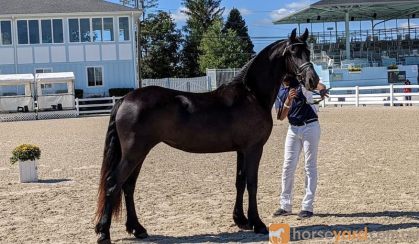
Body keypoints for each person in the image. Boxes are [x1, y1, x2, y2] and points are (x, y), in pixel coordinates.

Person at [273, 77, 328, 219]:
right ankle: (285, 205)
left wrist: (322, 91)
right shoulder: (280, 91)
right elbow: (280, 117)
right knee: (287, 166)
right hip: (293, 129)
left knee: (309, 166)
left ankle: (307, 206)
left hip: (310, 126)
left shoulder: (301, 84)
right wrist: (288, 101)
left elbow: (319, 85)